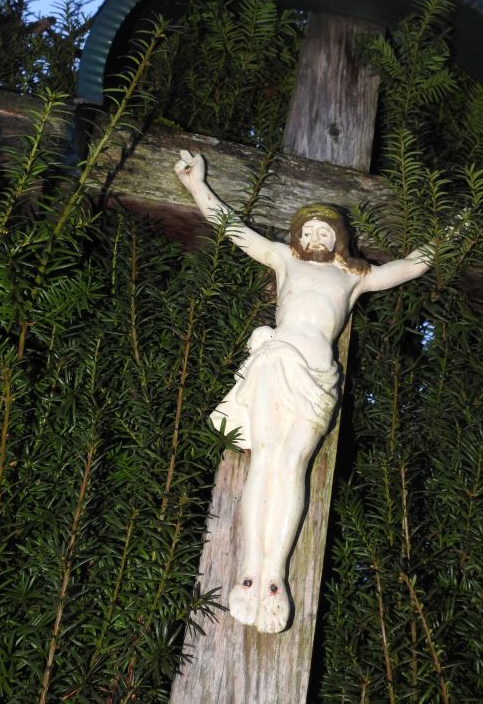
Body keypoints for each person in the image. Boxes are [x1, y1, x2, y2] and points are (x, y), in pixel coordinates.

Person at [174, 150, 433, 633]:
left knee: (292, 463)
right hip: (277, 365)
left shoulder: (354, 277)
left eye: (325, 232)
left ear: (339, 239)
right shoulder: (283, 259)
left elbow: (412, 265)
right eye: (308, 231)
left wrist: (458, 232)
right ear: (297, 237)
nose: (315, 238)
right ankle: (250, 568)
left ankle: (275, 574)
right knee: (266, 458)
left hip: (317, 379)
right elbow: (233, 228)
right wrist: (196, 185)